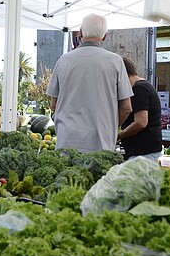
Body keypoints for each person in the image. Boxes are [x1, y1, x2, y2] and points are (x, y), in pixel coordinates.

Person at [46, 14, 133, 153]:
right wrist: (109, 127)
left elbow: (53, 105)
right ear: (105, 36)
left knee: (68, 175)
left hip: (67, 141)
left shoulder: (64, 60)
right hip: (101, 143)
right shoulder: (115, 62)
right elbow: (127, 108)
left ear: (80, 32)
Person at [117, 56, 163, 161]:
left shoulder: (139, 89)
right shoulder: (142, 86)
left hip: (144, 150)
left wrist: (119, 135)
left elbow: (141, 122)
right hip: (142, 150)